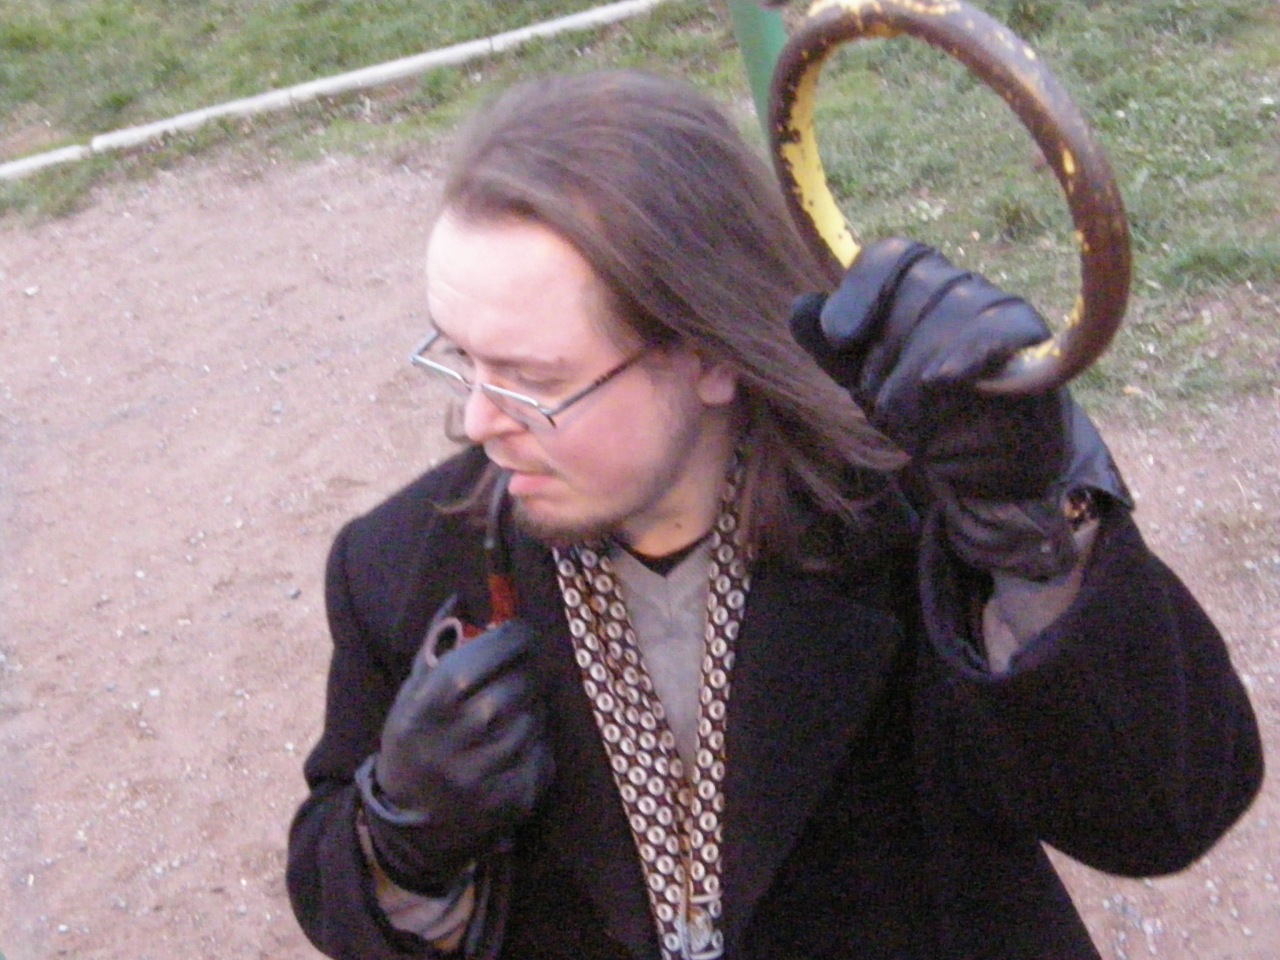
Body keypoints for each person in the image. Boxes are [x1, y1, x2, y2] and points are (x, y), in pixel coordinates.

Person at [285, 69, 1262, 960]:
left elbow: (1165, 815)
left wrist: (1033, 536)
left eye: (531, 379)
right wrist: (403, 836)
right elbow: (335, 887)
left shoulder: (906, 520)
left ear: (710, 352)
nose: (476, 421)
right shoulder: (405, 567)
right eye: (459, 356)